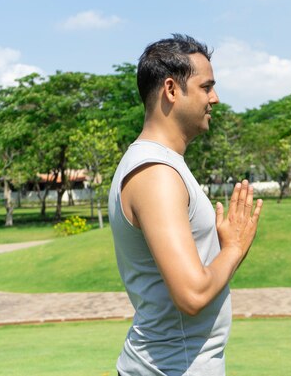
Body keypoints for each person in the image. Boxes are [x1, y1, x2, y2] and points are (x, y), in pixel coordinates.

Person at [108, 34, 263, 376]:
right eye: (206, 87)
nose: (215, 98)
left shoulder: (162, 165)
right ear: (172, 90)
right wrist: (234, 248)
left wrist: (227, 251)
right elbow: (191, 295)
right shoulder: (156, 173)